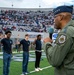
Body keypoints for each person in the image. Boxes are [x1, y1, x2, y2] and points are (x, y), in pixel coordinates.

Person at [44, 5, 74, 75]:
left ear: (61, 17)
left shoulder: (65, 33)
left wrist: (47, 44)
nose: (54, 20)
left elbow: (55, 60)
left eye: (55, 17)